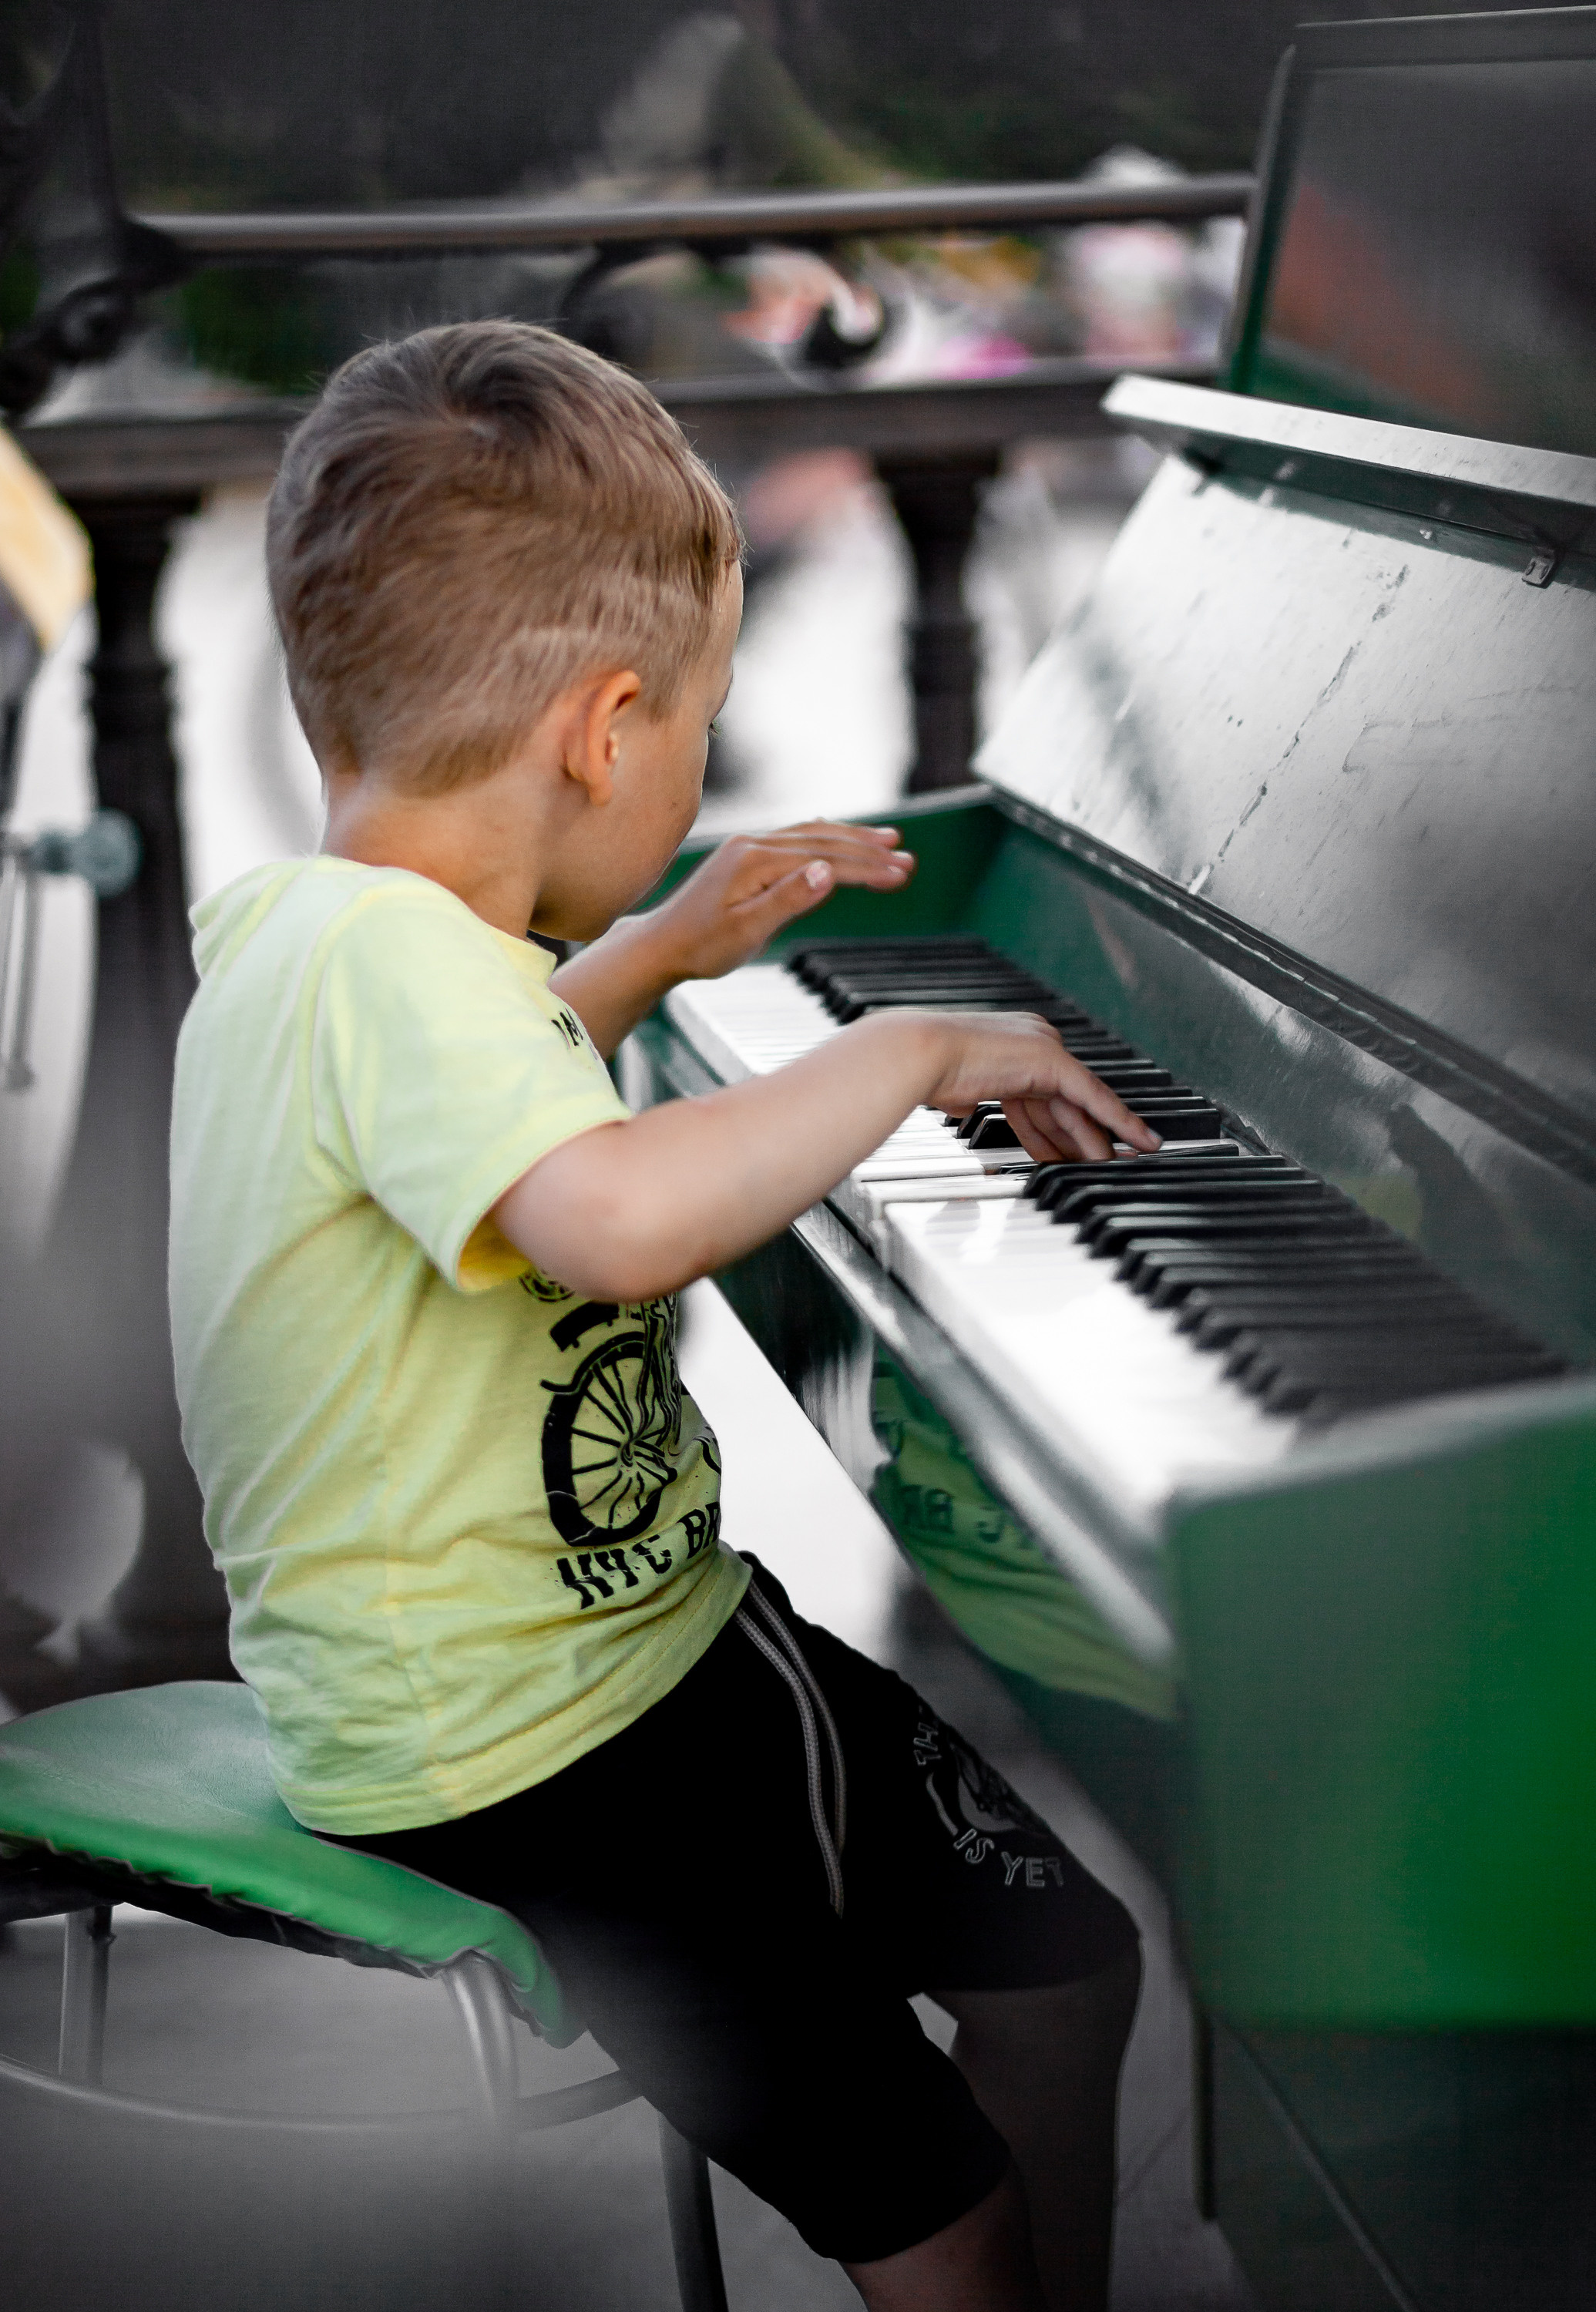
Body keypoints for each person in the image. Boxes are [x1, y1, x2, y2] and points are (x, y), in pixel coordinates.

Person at [169, 320, 1160, 2312]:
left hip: (614, 1671)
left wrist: (647, 951)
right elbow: (611, 1220)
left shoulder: (329, 940)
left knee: (1070, 1965)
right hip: (548, 1760)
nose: (703, 764)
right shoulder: (396, 974)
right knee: (950, 2216)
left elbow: (487, 1088)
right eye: (703, 727)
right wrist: (906, 1054)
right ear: (606, 732)